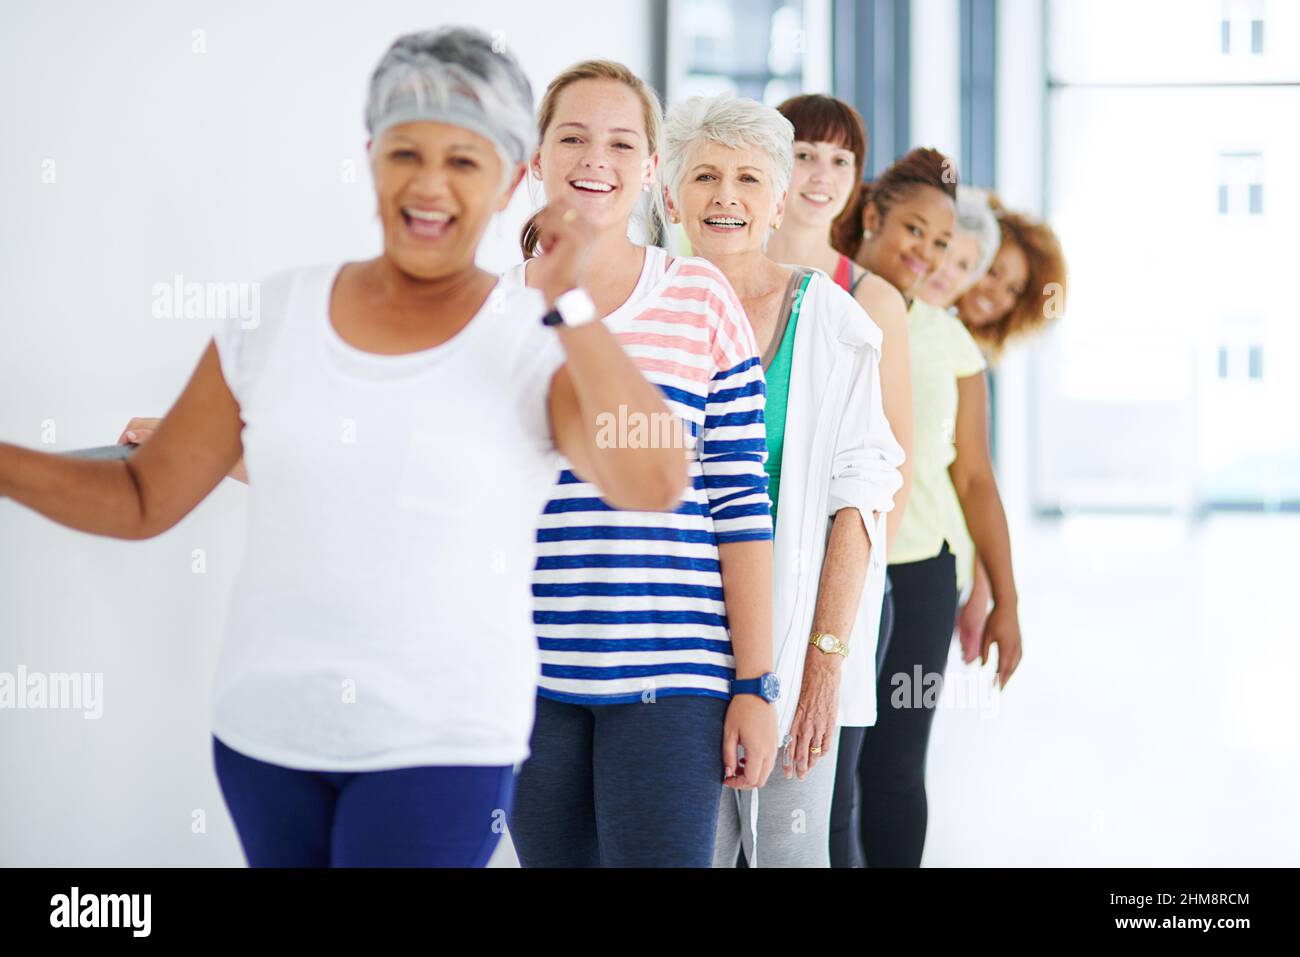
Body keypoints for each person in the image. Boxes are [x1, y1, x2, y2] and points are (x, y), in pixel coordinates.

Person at [2, 26, 687, 868]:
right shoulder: (276, 315)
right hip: (267, 737)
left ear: (513, 178)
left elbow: (656, 477)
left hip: (443, 743)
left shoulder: (533, 336)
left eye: (464, 162)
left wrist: (572, 304)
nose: (429, 185)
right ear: (371, 157)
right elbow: (145, 496)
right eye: (406, 152)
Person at [501, 60, 780, 868]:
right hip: (528, 677)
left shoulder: (699, 298)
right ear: (535, 160)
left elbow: (740, 504)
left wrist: (755, 685)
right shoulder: (492, 312)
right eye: (574, 138)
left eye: (623, 143)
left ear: (651, 171)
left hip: (678, 679)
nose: (598, 158)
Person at [661, 93, 904, 868]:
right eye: (703, 176)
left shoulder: (832, 322)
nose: (724, 197)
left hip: (797, 647)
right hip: (671, 647)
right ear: (671, 197)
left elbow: (859, 501)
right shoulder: (647, 308)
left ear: (776, 201)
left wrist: (823, 668)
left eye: (746, 178)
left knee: (792, 855)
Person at [834, 148, 1024, 866]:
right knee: (826, 768)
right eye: (915, 232)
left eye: (944, 244)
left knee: (893, 767)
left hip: (916, 579)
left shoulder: (952, 341)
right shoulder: (825, 296)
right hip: (824, 564)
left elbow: (975, 476)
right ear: (873, 216)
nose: (930, 254)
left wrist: (1001, 595)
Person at [763, 92, 913, 869]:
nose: (821, 174)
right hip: (745, 589)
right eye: (803, 153)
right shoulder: (713, 274)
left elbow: (888, 474)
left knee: (824, 805)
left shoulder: (871, 297)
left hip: (838, 593)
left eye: (840, 159)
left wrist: (829, 616)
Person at [951, 200, 1067, 661]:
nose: (997, 292)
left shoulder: (967, 358)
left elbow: (972, 479)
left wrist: (985, 587)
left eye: (1014, 288)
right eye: (994, 271)